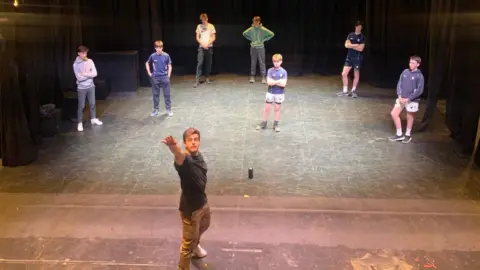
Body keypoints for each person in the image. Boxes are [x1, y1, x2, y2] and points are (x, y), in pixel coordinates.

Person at [162, 128, 211, 269]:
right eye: (190, 140)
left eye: (196, 139)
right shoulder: (186, 161)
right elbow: (179, 157)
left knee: (205, 224)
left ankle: (195, 247)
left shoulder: (198, 156)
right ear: (185, 143)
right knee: (187, 245)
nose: (194, 142)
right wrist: (173, 147)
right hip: (191, 209)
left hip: (203, 202)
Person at [389, 55, 424, 143]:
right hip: (401, 98)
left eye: (413, 63)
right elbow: (399, 84)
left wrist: (408, 99)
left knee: (409, 116)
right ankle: (399, 134)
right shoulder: (405, 72)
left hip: (412, 100)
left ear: (418, 64)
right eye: (410, 62)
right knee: (394, 113)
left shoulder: (419, 76)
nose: (410, 64)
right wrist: (399, 95)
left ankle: (408, 134)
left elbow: (419, 90)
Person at [73, 45, 103, 132]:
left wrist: (85, 74)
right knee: (81, 106)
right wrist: (89, 74)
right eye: (83, 53)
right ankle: (79, 122)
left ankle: (93, 119)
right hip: (81, 87)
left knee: (93, 103)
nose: (85, 54)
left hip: (91, 86)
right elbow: (79, 78)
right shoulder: (75, 64)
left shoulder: (90, 61)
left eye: (86, 52)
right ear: (79, 54)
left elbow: (95, 73)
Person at [256, 54, 287, 132]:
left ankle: (275, 124)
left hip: (279, 93)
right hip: (270, 92)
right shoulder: (270, 70)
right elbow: (269, 82)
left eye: (278, 61)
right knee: (267, 108)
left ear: (281, 62)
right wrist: (279, 81)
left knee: (277, 109)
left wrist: (274, 82)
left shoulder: (283, 72)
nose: (276, 63)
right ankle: (264, 123)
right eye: (274, 61)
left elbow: (283, 84)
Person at [242, 16, 275, 84]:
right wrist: (251, 39)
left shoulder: (262, 29)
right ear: (253, 21)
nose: (256, 22)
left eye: (257, 21)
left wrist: (264, 40)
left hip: (261, 48)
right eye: (254, 21)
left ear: (259, 21)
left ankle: (263, 77)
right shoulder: (251, 29)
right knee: (253, 62)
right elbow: (244, 33)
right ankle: (252, 76)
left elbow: (271, 34)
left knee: (262, 62)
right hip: (253, 47)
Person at [337, 21, 365, 98]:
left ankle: (353, 91)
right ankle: (345, 91)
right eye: (357, 26)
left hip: (357, 58)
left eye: (360, 26)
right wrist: (356, 45)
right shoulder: (350, 35)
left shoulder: (362, 37)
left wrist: (351, 45)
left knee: (356, 74)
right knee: (344, 73)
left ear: (361, 27)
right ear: (355, 27)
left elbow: (361, 49)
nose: (358, 28)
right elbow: (346, 45)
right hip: (349, 57)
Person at [146, 40, 173, 117]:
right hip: (155, 78)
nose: (159, 49)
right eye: (157, 48)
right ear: (155, 48)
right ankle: (155, 109)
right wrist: (149, 73)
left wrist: (168, 75)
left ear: (162, 48)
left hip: (164, 77)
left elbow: (169, 65)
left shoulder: (166, 55)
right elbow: (147, 63)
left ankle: (168, 109)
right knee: (155, 94)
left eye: (160, 47)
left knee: (167, 94)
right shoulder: (153, 56)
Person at [193, 13, 216, 88]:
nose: (203, 21)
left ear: (207, 19)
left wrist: (208, 43)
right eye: (202, 20)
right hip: (201, 47)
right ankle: (197, 80)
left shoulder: (211, 26)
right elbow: (197, 37)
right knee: (200, 62)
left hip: (209, 47)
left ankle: (207, 77)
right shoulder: (199, 26)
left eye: (204, 20)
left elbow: (213, 37)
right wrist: (202, 44)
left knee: (208, 63)